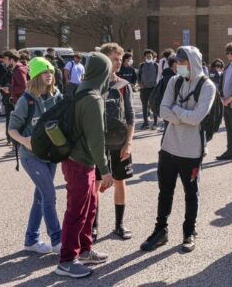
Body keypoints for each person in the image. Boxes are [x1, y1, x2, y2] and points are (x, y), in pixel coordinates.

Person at [140, 46, 215, 253]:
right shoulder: (174, 81)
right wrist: (183, 115)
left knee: (191, 193)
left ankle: (189, 231)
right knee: (165, 191)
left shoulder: (207, 86)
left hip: (192, 151)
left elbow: (198, 117)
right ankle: (160, 230)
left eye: (182, 63)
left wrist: (176, 111)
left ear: (193, 63)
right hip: (169, 147)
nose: (178, 67)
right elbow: (163, 110)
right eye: (178, 63)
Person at [56, 52, 114, 279]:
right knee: (77, 212)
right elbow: (96, 139)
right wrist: (106, 170)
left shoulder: (81, 89)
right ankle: (67, 260)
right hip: (80, 162)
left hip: (77, 160)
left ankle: (85, 249)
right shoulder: (93, 98)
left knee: (88, 208)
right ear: (103, 73)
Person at [8, 57, 63, 257]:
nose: (49, 75)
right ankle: (58, 240)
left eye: (51, 72)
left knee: (40, 197)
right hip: (30, 156)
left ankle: (31, 240)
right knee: (49, 195)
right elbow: (11, 129)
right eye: (45, 72)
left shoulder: (57, 96)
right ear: (36, 76)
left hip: (51, 155)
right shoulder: (26, 100)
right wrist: (25, 141)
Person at [92, 43, 136, 241]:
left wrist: (129, 143)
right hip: (97, 144)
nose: (118, 62)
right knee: (95, 184)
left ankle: (119, 225)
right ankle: (93, 226)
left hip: (119, 143)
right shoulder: (93, 84)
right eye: (114, 59)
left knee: (120, 181)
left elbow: (130, 117)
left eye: (120, 59)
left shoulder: (124, 86)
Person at [138, 49, 160, 130]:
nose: (149, 57)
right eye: (147, 56)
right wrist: (140, 83)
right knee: (144, 106)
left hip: (154, 88)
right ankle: (145, 123)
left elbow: (159, 76)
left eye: (150, 56)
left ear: (152, 56)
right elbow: (138, 76)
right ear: (144, 57)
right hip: (144, 89)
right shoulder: (141, 65)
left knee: (154, 105)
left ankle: (155, 123)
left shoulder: (156, 65)